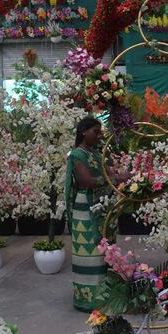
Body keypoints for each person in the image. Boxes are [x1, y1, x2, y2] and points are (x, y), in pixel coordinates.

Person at [65, 116, 120, 311]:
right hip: (85, 209)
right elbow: (86, 181)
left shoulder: (97, 153)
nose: (99, 136)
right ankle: (88, 299)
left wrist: (117, 175)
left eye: (100, 132)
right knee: (90, 251)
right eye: (95, 132)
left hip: (102, 208)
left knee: (105, 251)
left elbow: (109, 171)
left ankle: (107, 296)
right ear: (83, 132)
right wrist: (113, 178)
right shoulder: (76, 155)